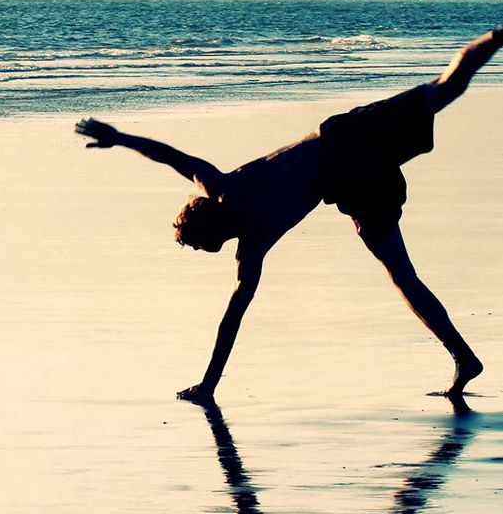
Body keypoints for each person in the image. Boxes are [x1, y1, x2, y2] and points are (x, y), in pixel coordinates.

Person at [75, 29, 502, 413]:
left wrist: (208, 385)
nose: (199, 251)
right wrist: (119, 138)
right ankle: (496, 36)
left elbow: (232, 318)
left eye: (195, 245)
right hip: (347, 144)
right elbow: (173, 157)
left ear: (207, 234)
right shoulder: (226, 186)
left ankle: (463, 356)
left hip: (347, 169)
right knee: (441, 90)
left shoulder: (250, 242)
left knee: (403, 278)